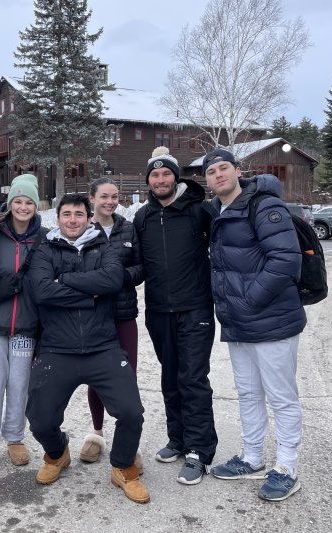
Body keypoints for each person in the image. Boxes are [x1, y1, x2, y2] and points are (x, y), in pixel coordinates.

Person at [26, 193, 149, 504]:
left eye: (78, 214)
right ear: (58, 218)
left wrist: (64, 279)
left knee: (131, 412)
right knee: (40, 419)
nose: (72, 220)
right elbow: (40, 291)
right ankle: (57, 454)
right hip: (57, 348)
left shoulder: (103, 247)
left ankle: (122, 467)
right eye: (66, 214)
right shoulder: (44, 251)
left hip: (102, 346)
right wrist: (88, 294)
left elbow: (111, 280)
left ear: (88, 218)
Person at [203, 148, 306, 502]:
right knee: (248, 393)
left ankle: (286, 467)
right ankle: (252, 457)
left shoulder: (264, 206)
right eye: (211, 171)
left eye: (223, 168)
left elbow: (286, 260)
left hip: (270, 321)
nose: (218, 175)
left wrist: (249, 301)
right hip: (238, 323)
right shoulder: (219, 211)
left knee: (281, 396)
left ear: (237, 171)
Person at [133, 146, 218, 485]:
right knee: (170, 376)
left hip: (195, 307)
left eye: (166, 173)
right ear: (149, 181)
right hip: (158, 311)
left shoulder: (200, 211)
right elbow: (135, 264)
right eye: (155, 174)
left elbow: (226, 249)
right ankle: (179, 438)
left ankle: (200, 450)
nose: (161, 179)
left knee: (193, 379)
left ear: (175, 176)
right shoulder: (143, 217)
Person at [0, 174, 47, 469]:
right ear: (10, 203)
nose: (23, 206)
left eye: (28, 201)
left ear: (35, 205)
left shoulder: (44, 239)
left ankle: (15, 437)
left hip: (27, 326)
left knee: (20, 385)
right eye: (18, 200)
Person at [79, 177, 143, 464]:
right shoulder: (81, 229)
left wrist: (121, 278)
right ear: (92, 198)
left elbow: (141, 266)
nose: (110, 201)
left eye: (114, 196)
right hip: (93, 316)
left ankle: (127, 439)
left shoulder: (128, 228)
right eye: (104, 196)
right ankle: (96, 432)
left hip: (124, 313)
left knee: (127, 376)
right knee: (98, 375)